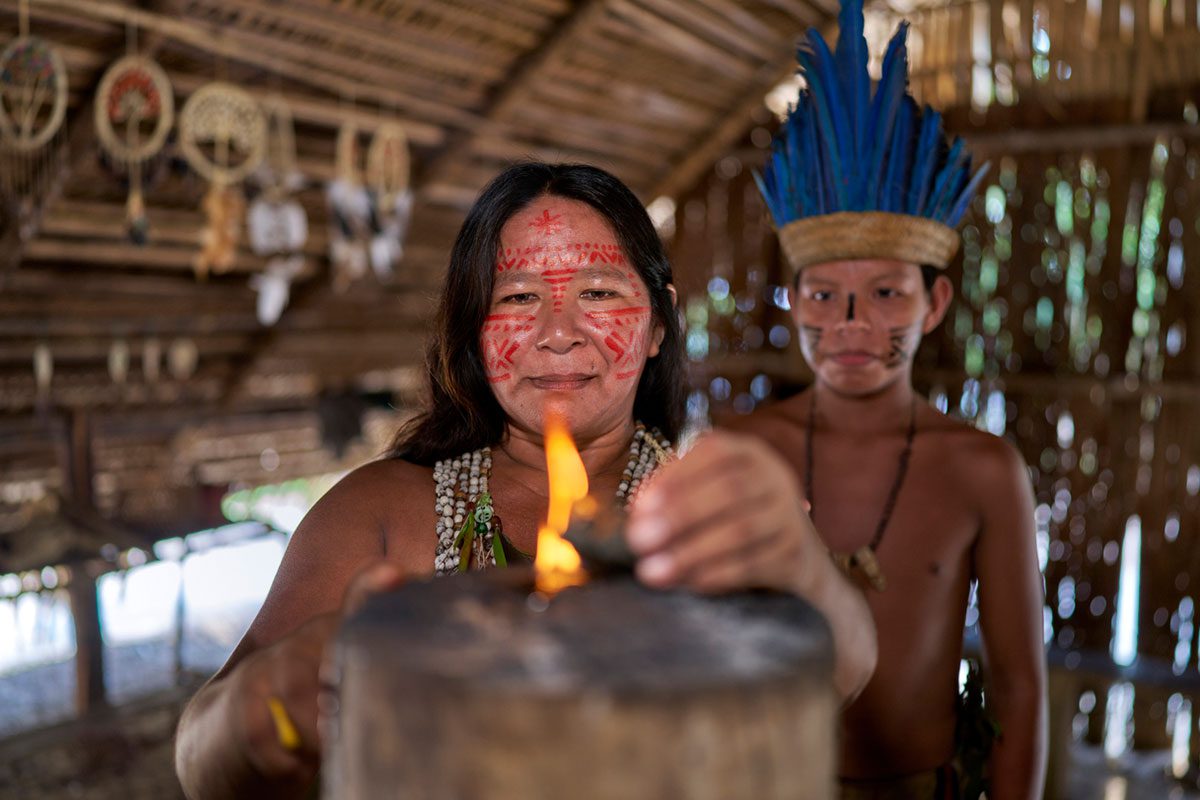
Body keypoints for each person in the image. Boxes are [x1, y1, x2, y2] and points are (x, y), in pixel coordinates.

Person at [175, 162, 877, 799]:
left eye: (598, 291)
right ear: (474, 331)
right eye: (517, 299)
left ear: (659, 322)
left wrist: (804, 573)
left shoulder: (708, 513)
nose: (558, 332)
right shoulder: (382, 512)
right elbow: (199, 752)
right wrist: (262, 711)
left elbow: (847, 669)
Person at [705, 0, 1049, 797]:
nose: (851, 323)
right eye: (822, 295)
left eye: (886, 292)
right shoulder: (743, 454)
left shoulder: (983, 470)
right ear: (791, 302)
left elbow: (1019, 685)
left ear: (934, 305)